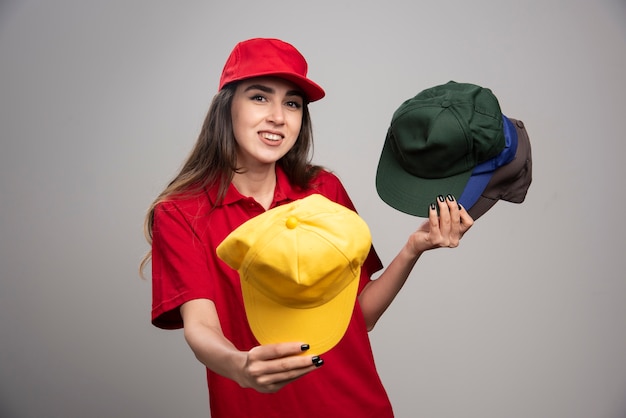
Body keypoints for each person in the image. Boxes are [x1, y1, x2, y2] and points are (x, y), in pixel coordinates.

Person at [141, 37, 473, 417]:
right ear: (226, 107)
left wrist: (414, 247)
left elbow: (358, 317)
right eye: (260, 97)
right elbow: (200, 328)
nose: (278, 117)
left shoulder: (324, 190)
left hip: (356, 407)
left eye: (293, 103)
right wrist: (240, 367)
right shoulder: (182, 212)